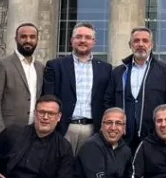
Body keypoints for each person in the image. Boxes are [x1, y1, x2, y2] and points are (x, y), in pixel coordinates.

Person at [43, 21, 114, 153]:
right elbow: (49, 97)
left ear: (94, 42)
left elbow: (107, 101)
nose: (83, 40)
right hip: (64, 128)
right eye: (79, 37)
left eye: (88, 37)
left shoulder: (106, 69)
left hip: (93, 130)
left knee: (87, 165)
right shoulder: (55, 66)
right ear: (71, 40)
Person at [107, 27, 166, 150]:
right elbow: (108, 102)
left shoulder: (165, 71)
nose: (140, 44)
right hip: (122, 138)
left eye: (145, 41)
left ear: (151, 45)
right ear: (130, 45)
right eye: (136, 41)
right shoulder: (118, 72)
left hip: (154, 138)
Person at [0, 23, 47, 138]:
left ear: (37, 40)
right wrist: (0, 134)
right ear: (16, 39)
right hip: (8, 132)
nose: (28, 40)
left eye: (32, 37)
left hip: (34, 133)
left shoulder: (40, 68)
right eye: (23, 37)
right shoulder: (1, 65)